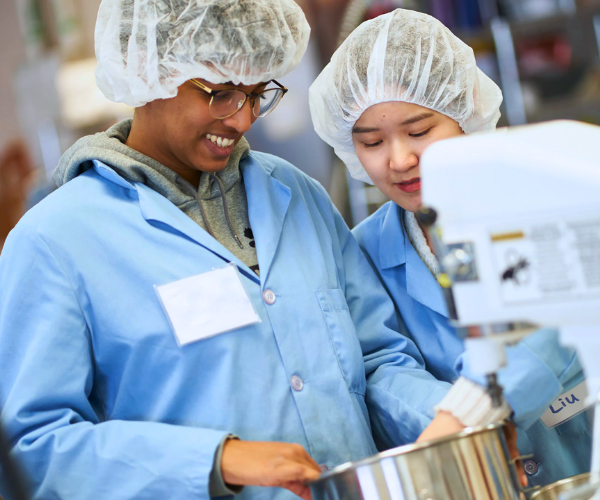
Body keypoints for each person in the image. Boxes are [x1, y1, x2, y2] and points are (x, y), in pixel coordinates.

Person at [0, 1, 459, 497]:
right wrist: (214, 460)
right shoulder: (55, 241)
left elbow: (377, 359)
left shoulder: (297, 194)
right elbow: (33, 447)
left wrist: (459, 424)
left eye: (257, 92)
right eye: (219, 94)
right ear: (147, 70)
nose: (242, 119)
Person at [308, 9, 593, 486]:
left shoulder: (542, 201)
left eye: (420, 132)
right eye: (372, 141)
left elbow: (559, 324)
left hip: (593, 451)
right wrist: (454, 431)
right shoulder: (364, 250)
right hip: (475, 476)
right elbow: (381, 365)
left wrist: (472, 412)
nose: (399, 159)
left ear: (465, 114)